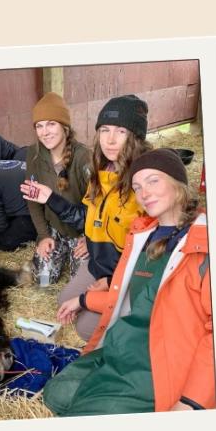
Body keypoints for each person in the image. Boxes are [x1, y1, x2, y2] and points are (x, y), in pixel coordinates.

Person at [41, 149, 213, 416]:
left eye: (153, 181)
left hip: (159, 361)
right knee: (56, 393)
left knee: (80, 411)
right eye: (137, 186)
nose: (144, 192)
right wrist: (82, 299)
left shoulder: (205, 242)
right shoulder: (143, 234)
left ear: (178, 183)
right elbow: (127, 295)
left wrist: (192, 401)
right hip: (124, 345)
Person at [21, 94, 150, 341]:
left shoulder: (141, 180)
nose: (110, 139)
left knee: (85, 328)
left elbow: (144, 250)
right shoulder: (103, 169)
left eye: (121, 131)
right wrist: (49, 210)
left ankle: (121, 312)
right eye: (105, 130)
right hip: (98, 255)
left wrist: (106, 278)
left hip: (121, 270)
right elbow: (89, 217)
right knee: (61, 298)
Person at [24, 92, 92, 285]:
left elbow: (98, 205)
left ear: (65, 127)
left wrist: (91, 239)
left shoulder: (84, 157)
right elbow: (32, 198)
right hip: (54, 229)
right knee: (43, 281)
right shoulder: (34, 153)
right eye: (39, 125)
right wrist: (43, 236)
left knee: (79, 286)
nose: (45, 132)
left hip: (82, 233)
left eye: (51, 124)